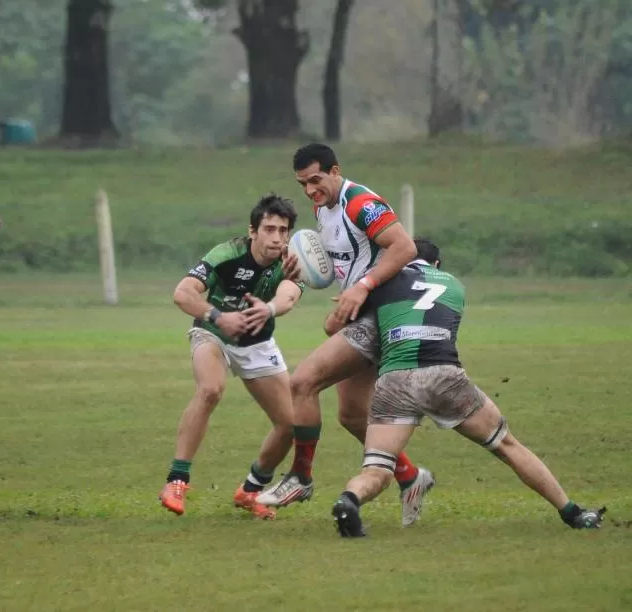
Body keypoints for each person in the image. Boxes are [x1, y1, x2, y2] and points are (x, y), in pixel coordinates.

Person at [331, 239, 606, 536]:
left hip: (394, 379)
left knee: (377, 470)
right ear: (436, 264)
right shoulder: (454, 284)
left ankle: (349, 501)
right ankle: (574, 514)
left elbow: (336, 328)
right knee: (506, 445)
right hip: (444, 376)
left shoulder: (380, 284)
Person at [258, 143, 435, 527]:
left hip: (382, 311)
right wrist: (301, 268)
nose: (309, 190)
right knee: (353, 415)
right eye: (303, 183)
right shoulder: (322, 207)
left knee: (303, 382)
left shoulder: (361, 202)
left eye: (316, 180)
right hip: (363, 313)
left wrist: (362, 288)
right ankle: (409, 476)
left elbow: (403, 247)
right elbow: (339, 264)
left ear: (335, 170)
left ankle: (301, 477)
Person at [159, 194, 305, 519]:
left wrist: (268, 309)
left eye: (283, 230)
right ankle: (176, 480)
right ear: (253, 230)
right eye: (269, 228)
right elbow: (182, 293)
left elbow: (289, 295)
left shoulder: (293, 261)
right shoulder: (228, 254)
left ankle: (250, 491)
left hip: (257, 343)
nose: (277, 237)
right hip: (214, 333)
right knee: (210, 389)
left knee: (291, 424)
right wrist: (218, 316)